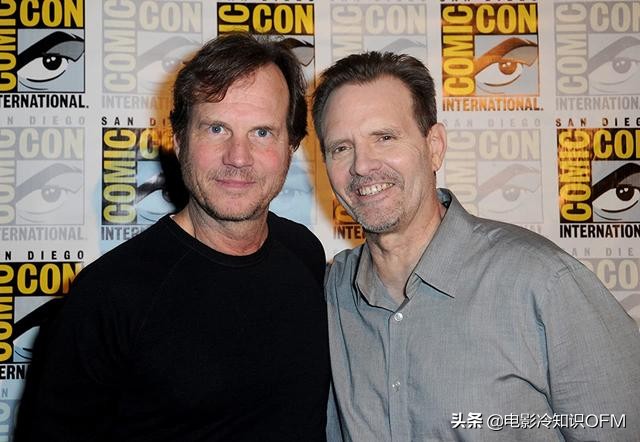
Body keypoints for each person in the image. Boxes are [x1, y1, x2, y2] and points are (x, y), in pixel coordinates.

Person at [15, 33, 329, 441]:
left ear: (291, 146)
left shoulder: (304, 252)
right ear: (179, 141)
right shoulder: (107, 296)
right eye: (216, 128)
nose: (238, 156)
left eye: (262, 133)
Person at [312, 51, 640, 441]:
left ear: (435, 146)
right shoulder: (332, 293)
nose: (362, 165)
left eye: (385, 137)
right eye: (341, 148)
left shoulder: (543, 283)